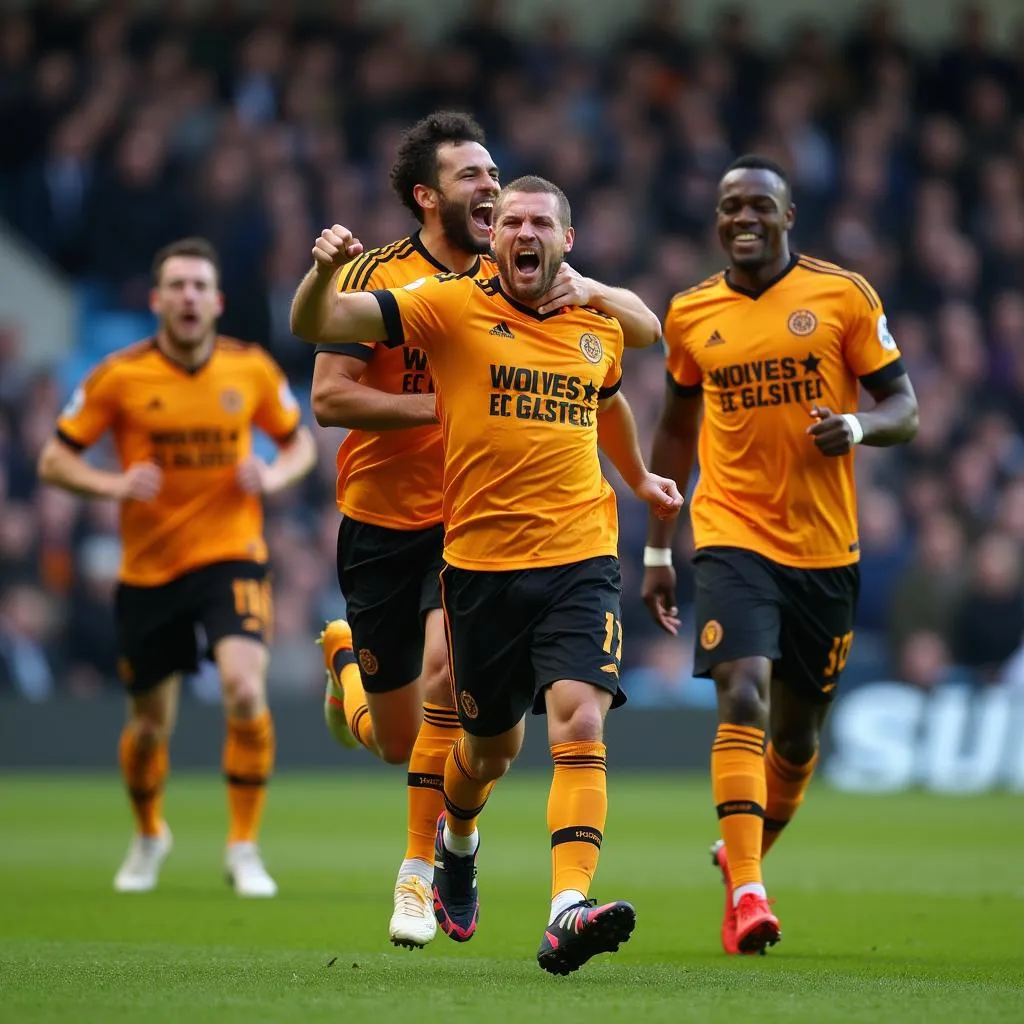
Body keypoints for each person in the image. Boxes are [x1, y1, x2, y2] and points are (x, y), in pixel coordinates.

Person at [293, 175, 682, 974]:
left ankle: (567, 908)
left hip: (580, 558)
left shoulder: (593, 318)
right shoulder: (448, 306)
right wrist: (322, 270)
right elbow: (319, 324)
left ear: (565, 239)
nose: (524, 232)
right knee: (487, 752)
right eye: (511, 221)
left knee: (580, 720)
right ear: (493, 238)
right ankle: (457, 839)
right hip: (478, 569)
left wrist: (638, 479)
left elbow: (641, 345)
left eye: (542, 221)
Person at [642, 154, 919, 955]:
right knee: (741, 695)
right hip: (730, 533)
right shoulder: (692, 313)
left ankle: (742, 856)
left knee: (795, 740)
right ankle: (752, 893)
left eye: (759, 204)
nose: (743, 217)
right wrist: (660, 545)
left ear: (788, 216)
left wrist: (862, 428)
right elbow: (674, 429)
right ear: (719, 219)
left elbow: (905, 405)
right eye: (730, 206)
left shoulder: (843, 296)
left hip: (826, 550)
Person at [37, 237, 317, 898]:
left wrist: (274, 475)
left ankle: (244, 846)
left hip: (231, 557)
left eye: (199, 286)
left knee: (246, 691)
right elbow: (54, 460)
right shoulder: (119, 376)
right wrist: (111, 485)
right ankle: (147, 834)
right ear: (157, 299)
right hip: (150, 570)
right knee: (148, 727)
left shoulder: (248, 370)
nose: (189, 297)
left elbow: (299, 442)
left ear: (217, 302)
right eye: (177, 286)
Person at [290, 111, 499, 950]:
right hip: (379, 522)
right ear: (425, 196)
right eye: (471, 176)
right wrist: (440, 406)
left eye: (494, 172)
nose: (490, 186)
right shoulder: (377, 272)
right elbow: (330, 399)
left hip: (472, 516)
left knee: (450, 676)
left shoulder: (511, 274)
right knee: (397, 741)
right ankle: (345, 657)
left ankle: (418, 874)